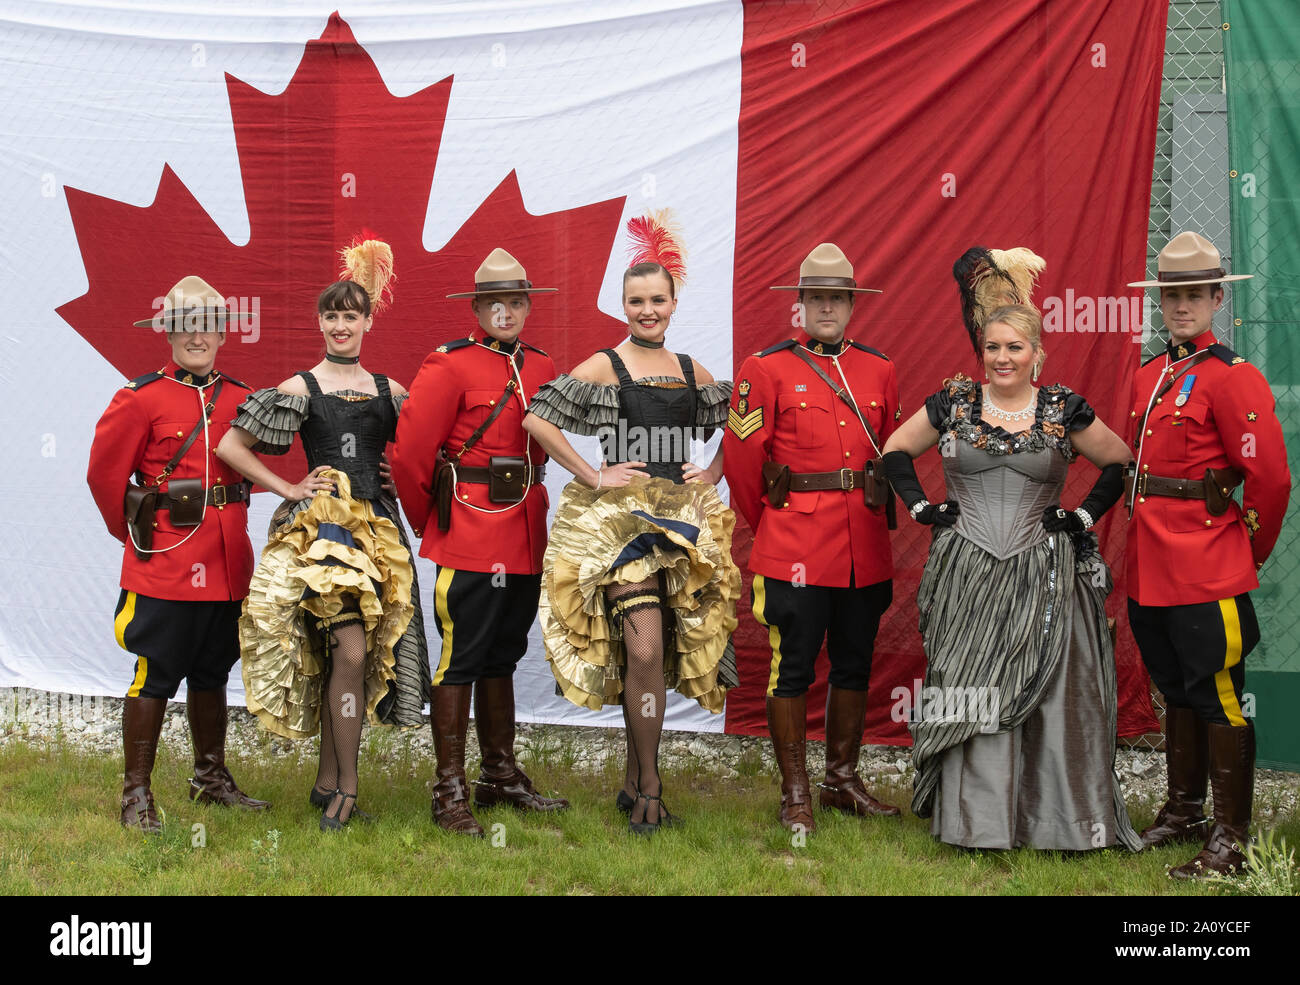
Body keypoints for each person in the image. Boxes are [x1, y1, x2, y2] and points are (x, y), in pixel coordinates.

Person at [882, 246, 1141, 852]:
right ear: (982, 352)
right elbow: (894, 451)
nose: (1002, 358)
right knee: (969, 685)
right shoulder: (954, 402)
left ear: (1036, 352)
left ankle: (1056, 822)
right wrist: (923, 508)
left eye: (1014, 348)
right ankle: (976, 822)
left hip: (1043, 571)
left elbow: (1119, 460)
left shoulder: (1062, 408)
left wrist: (1080, 514)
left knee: (1046, 693)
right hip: (965, 568)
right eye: (993, 348)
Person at [522, 233, 739, 835]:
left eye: (657, 300)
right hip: (620, 528)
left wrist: (713, 471)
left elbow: (745, 423)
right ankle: (650, 786)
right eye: (636, 300)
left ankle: (632, 779)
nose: (648, 310)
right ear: (624, 306)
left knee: (659, 654)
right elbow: (536, 417)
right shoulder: (606, 365)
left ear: (674, 304)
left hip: (684, 524)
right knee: (642, 650)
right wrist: (594, 473)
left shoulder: (692, 370)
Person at [216, 240, 429, 831]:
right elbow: (230, 446)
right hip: (323, 534)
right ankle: (348, 785)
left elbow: (431, 452)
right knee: (346, 649)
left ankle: (329, 779)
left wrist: (400, 472)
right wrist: (287, 489)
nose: (340, 325)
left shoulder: (392, 391)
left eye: (350, 315)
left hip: (379, 534)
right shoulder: (301, 387)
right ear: (321, 322)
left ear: (366, 321)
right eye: (331, 315)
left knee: (355, 656)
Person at [1123, 231, 1290, 877]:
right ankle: (1184, 810)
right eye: (1172, 294)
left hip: (1206, 568)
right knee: (1178, 691)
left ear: (1218, 297)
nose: (1182, 304)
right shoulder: (1149, 375)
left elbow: (1271, 479)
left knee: (1218, 696)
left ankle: (1232, 840)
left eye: (1194, 293)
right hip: (1151, 568)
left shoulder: (1231, 377)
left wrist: (1246, 552)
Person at [390, 248, 569, 837]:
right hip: (467, 528)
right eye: (496, 302)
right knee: (461, 658)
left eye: (517, 301)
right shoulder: (448, 365)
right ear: (477, 306)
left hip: (524, 529)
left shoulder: (541, 365)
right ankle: (449, 789)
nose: (507, 311)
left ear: (527, 307)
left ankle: (500, 774)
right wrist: (432, 524)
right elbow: (412, 456)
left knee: (503, 654)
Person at [723, 242, 900, 834]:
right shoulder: (765, 368)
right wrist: (774, 525)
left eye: (838, 298)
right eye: (816, 298)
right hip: (794, 543)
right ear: (800, 305)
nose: (827, 307)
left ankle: (841, 781)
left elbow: (887, 453)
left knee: (854, 663)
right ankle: (795, 790)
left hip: (863, 547)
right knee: (792, 667)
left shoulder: (879, 369)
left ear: (852, 304)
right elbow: (746, 466)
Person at [88, 275, 270, 832]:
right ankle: (136, 793)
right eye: (186, 326)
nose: (198, 336)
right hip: (165, 563)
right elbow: (104, 477)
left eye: (208, 326)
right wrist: (143, 539)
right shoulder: (140, 397)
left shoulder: (243, 397)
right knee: (155, 673)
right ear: (168, 332)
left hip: (227, 563)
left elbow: (257, 472)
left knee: (213, 671)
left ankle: (208, 779)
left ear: (221, 334)